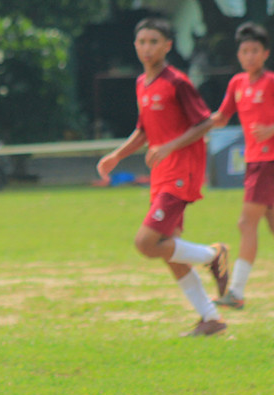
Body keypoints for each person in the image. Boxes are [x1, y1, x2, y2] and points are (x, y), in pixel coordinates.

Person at [97, 18, 230, 337]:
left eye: (154, 41)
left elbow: (205, 123)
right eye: (141, 42)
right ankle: (210, 318)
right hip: (161, 174)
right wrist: (117, 155)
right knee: (170, 250)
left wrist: (170, 145)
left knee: (147, 243)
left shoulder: (178, 82)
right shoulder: (142, 83)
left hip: (181, 172)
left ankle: (214, 255)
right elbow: (144, 130)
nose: (147, 47)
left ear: (168, 45)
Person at [208, 22, 274, 310]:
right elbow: (221, 117)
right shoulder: (237, 83)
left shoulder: (270, 82)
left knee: (246, 223)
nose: (249, 56)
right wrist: (195, 124)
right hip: (254, 162)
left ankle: (235, 292)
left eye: (255, 50)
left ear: (265, 53)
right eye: (244, 51)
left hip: (267, 162)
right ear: (239, 54)